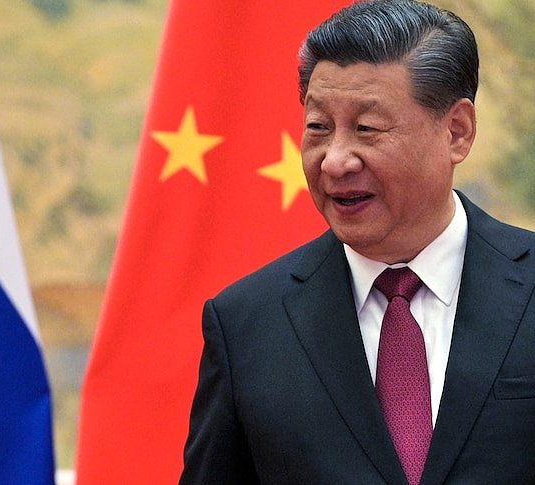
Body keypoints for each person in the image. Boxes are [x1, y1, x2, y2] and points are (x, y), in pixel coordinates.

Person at [181, 1, 535, 483]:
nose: (334, 161)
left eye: (367, 129)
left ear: (457, 132)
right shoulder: (246, 323)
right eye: (318, 128)